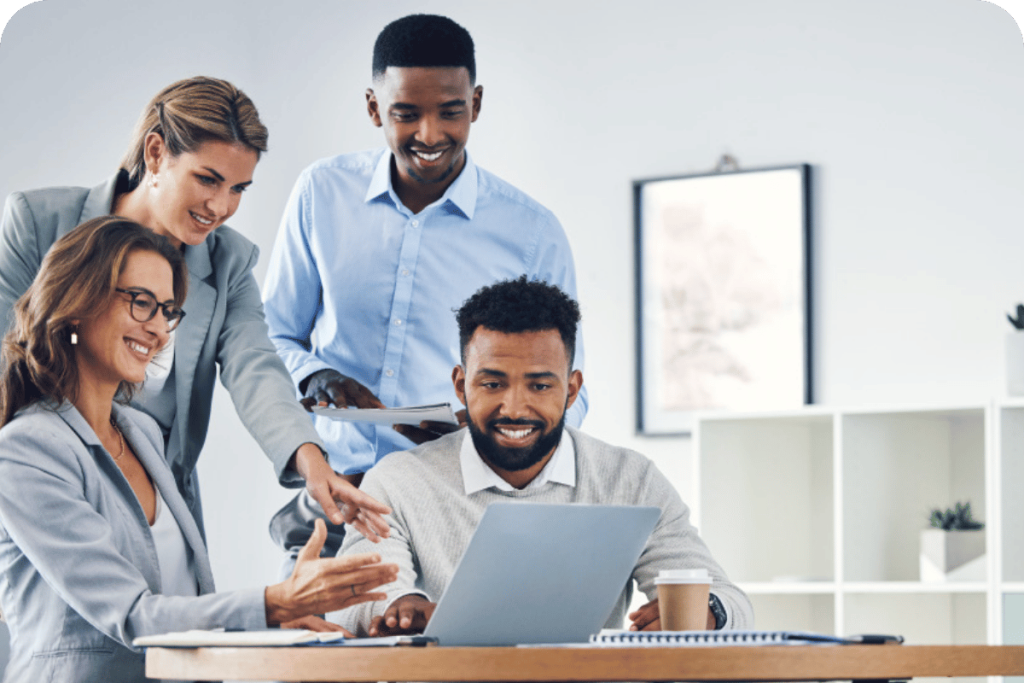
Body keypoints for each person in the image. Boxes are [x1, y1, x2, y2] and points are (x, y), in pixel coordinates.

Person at [0, 217, 398, 683]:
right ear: (76, 304)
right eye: (141, 303)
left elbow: (180, 607)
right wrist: (273, 602)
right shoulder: (26, 451)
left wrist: (274, 621)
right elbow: (132, 615)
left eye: (168, 311)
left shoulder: (143, 434)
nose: (159, 331)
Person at [0, 76, 390, 545]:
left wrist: (312, 461)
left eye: (238, 188)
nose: (221, 206)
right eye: (207, 179)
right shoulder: (39, 225)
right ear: (156, 154)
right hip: (46, 485)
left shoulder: (227, 264)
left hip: (156, 503)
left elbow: (256, 367)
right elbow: (8, 362)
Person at [263, 13, 586, 568]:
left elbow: (571, 395)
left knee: (446, 656)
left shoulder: (532, 233)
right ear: (373, 108)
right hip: (337, 501)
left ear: (476, 104)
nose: (430, 135)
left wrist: (497, 428)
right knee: (313, 655)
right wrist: (318, 377)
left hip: (457, 510)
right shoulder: (322, 194)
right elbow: (271, 335)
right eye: (405, 114)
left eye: (451, 112)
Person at [332, 277, 753, 637]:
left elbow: (732, 602)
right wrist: (398, 606)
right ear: (461, 386)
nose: (515, 408)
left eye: (540, 386)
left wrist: (709, 612)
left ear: (572, 389)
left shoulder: (632, 478)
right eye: (493, 384)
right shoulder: (399, 480)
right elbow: (350, 601)